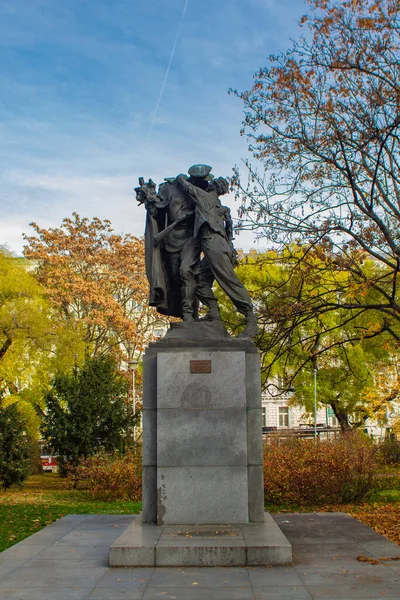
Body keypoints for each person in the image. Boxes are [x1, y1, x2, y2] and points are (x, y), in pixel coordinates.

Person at [176, 173, 259, 338]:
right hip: (212, 245)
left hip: (213, 243)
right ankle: (213, 312)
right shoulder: (217, 205)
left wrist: (180, 178)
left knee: (228, 281)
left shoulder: (205, 197)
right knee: (197, 278)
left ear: (212, 187)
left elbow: (187, 187)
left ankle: (250, 319)